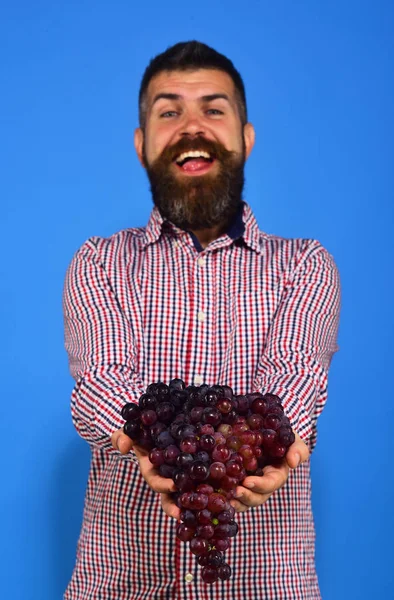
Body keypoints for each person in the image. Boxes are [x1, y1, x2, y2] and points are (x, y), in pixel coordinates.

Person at [63, 40, 340, 599]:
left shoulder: (305, 265)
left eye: (214, 109)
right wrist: (154, 445)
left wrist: (266, 447)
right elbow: (101, 378)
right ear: (142, 146)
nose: (193, 126)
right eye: (170, 112)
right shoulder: (99, 261)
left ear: (246, 138)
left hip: (267, 585)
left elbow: (296, 376)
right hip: (118, 583)